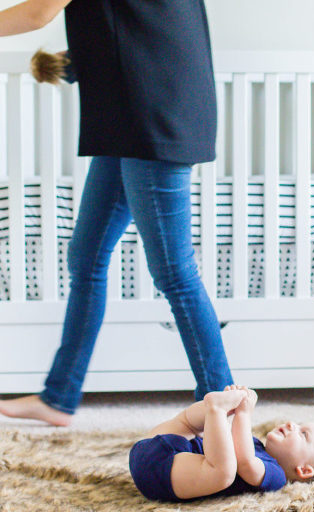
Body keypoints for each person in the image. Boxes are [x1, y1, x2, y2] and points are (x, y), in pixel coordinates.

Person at [0, 0, 233, 426]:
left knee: (175, 273)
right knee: (86, 257)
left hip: (151, 119)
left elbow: (38, 13)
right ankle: (59, 395)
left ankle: (224, 412)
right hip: (132, 117)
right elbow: (142, 27)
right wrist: (73, 62)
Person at [130, 386, 314, 502]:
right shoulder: (255, 443)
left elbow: (246, 463)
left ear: (303, 470)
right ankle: (214, 406)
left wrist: (242, 414)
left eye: (303, 434)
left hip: (160, 470)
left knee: (225, 471)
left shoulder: (277, 476)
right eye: (299, 424)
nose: (291, 425)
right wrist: (234, 405)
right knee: (191, 425)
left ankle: (216, 408)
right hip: (163, 452)